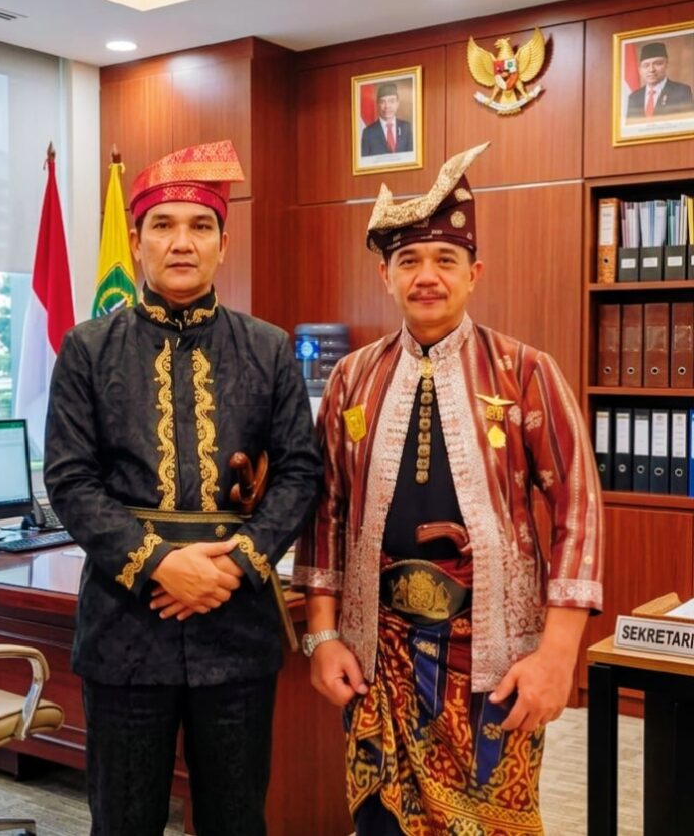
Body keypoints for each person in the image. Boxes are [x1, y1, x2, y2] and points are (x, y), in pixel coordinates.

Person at [292, 142, 603, 835]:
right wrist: (322, 636)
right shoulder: (350, 378)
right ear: (386, 275)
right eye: (409, 261)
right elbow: (325, 512)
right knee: (380, 822)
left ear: (474, 273)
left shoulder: (526, 372)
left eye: (445, 260)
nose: (426, 276)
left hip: (492, 655)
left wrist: (558, 656)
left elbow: (578, 511)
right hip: (378, 651)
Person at [44, 139, 321, 836]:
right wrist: (160, 563)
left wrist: (235, 564)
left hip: (237, 621)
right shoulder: (87, 349)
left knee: (236, 818)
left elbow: (300, 471)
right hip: (125, 624)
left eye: (200, 226)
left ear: (224, 244)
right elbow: (70, 479)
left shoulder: (268, 347)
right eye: (163, 225)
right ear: (136, 240)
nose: (181, 242)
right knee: (123, 819)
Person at [626, 40, 694, 117]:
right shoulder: (634, 97)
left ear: (666, 64)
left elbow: (687, 121)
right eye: (646, 65)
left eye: (657, 64)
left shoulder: (681, 91)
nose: (651, 70)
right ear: (640, 69)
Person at [361, 82, 414, 156]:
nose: (387, 106)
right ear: (377, 104)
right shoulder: (368, 133)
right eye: (382, 102)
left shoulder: (406, 128)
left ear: (397, 103)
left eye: (391, 101)